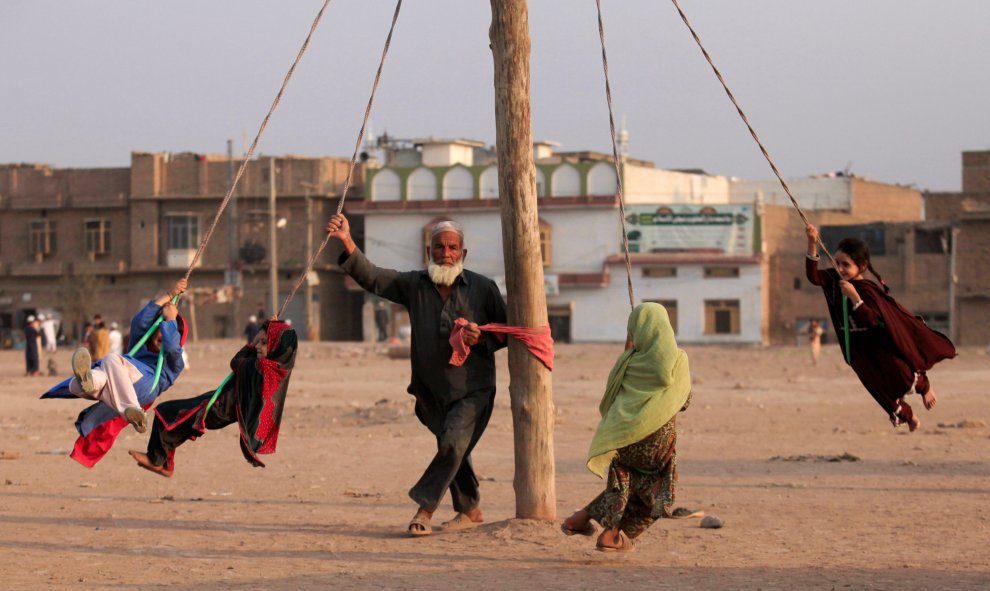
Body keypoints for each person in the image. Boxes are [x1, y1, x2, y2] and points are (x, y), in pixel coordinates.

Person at [326, 213, 508, 537]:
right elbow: (373, 278)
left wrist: (481, 338)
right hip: (430, 393)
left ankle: (425, 509)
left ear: (462, 255)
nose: (445, 253)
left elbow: (505, 332)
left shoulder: (483, 288)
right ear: (429, 252)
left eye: (453, 248)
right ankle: (470, 509)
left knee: (452, 445)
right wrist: (346, 240)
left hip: (473, 389)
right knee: (454, 449)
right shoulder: (414, 285)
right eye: (439, 247)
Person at [561, 303, 692, 552]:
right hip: (657, 446)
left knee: (623, 481)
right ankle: (611, 535)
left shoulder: (628, 361)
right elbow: (684, 401)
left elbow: (610, 395)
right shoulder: (678, 359)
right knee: (656, 496)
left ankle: (581, 518)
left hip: (622, 437)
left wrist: (627, 352)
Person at [805, 224, 955, 431]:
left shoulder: (868, 290)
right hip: (858, 348)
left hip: (879, 342)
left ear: (862, 266)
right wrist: (812, 242)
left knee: (901, 375)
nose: (840, 269)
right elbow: (813, 277)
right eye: (837, 263)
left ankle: (925, 388)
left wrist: (854, 296)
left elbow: (871, 320)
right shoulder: (834, 280)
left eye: (846, 265)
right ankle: (907, 416)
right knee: (876, 387)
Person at [41, 279, 189, 467]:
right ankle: (90, 382)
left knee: (110, 359)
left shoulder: (173, 362)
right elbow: (139, 320)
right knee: (87, 381)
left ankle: (130, 409)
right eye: (160, 330)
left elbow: (172, 346)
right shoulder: (140, 343)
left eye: (170, 332)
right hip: (119, 383)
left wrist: (170, 320)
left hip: (144, 387)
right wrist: (169, 293)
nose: (162, 335)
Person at [128, 316, 297, 477]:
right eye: (258, 341)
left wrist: (251, 345)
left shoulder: (261, 367)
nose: (258, 346)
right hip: (219, 401)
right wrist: (269, 327)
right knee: (176, 421)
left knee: (167, 412)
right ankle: (164, 464)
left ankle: (157, 460)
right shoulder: (277, 367)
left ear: (276, 347)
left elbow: (236, 362)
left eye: (264, 342)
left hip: (219, 407)